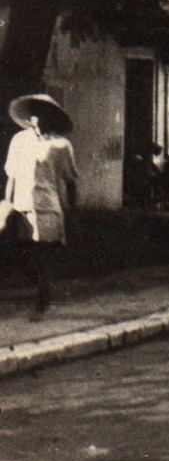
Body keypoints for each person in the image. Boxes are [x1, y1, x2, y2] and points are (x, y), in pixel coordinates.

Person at [4, 95, 78, 318]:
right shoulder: (19, 140)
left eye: (44, 113)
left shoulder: (61, 145)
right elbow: (12, 176)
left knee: (42, 256)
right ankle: (42, 292)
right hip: (22, 205)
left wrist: (73, 211)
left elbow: (70, 180)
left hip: (48, 208)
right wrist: (7, 204)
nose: (38, 117)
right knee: (19, 254)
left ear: (52, 117)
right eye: (35, 112)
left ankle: (41, 303)